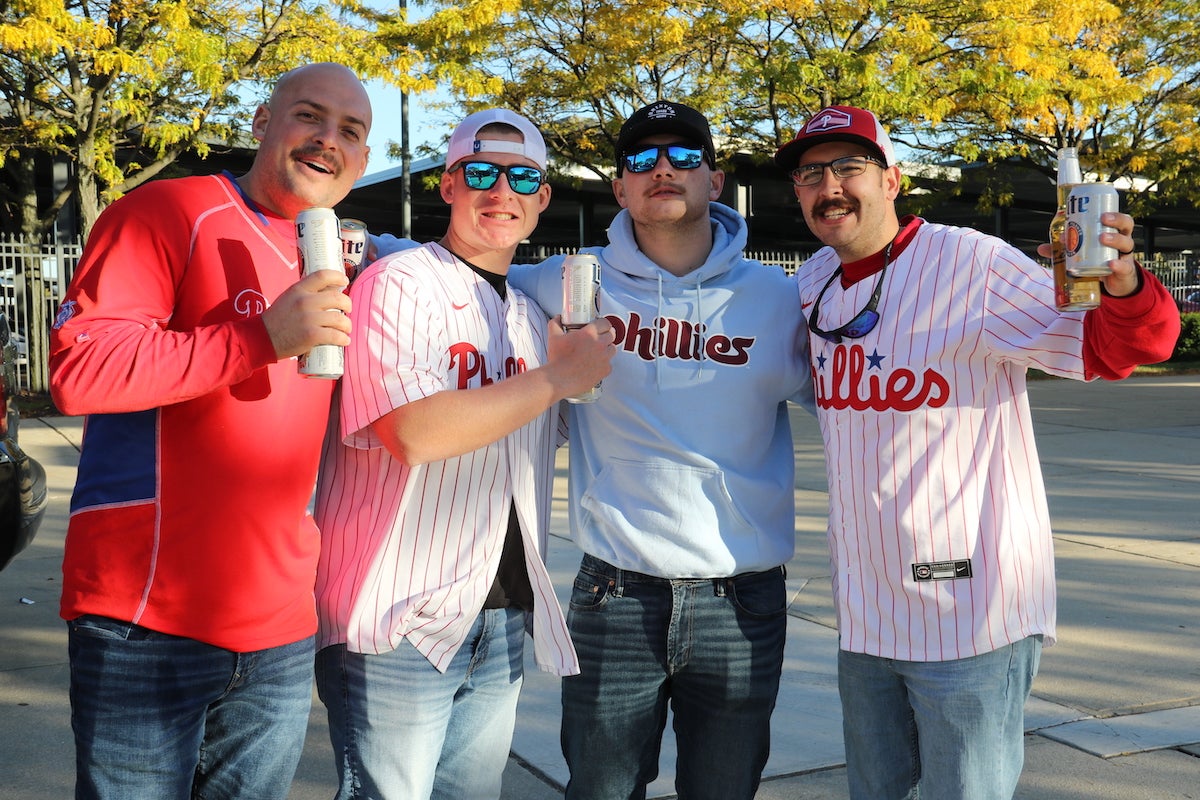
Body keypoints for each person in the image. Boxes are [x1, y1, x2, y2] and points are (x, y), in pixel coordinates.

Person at [773, 105, 1182, 800]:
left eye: (849, 166)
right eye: (812, 173)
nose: (830, 186)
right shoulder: (812, 281)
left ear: (893, 179)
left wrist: (1124, 285)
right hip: (867, 612)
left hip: (972, 613)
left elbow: (1114, 349)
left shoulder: (972, 263)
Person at [47, 63, 372, 799]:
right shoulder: (166, 210)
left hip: (283, 627)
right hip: (146, 616)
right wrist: (258, 338)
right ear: (262, 123)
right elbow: (79, 371)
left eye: (350, 132)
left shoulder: (337, 258)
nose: (328, 140)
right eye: (309, 117)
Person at [507, 101, 813, 800]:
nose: (663, 170)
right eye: (642, 160)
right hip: (615, 590)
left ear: (716, 179)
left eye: (683, 156)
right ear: (619, 188)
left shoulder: (780, 300)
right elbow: (460, 268)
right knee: (601, 791)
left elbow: (864, 380)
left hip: (742, 598)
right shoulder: (569, 282)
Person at [312, 108, 614, 800]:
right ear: (448, 186)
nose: (499, 191)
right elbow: (413, 433)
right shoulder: (400, 284)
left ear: (542, 197)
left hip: (502, 616)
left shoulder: (534, 316)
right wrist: (555, 380)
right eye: (480, 173)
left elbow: (546, 434)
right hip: (400, 619)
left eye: (521, 178)